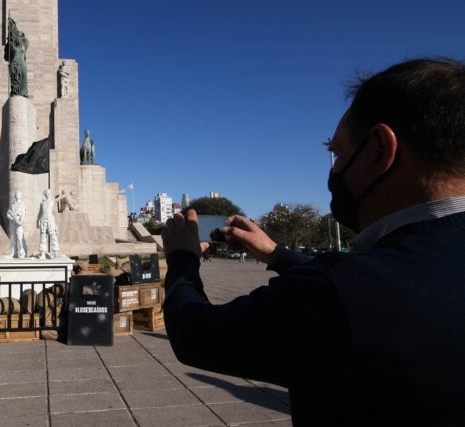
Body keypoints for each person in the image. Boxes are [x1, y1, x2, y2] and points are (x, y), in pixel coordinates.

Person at [162, 58, 465, 425]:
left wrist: (182, 257)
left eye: (337, 153)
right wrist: (276, 254)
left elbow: (196, 336)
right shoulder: (378, 278)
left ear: (379, 150)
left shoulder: (339, 293)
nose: (334, 169)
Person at [37, 189, 62, 257]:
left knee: (53, 235)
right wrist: (38, 221)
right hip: (43, 220)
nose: (47, 194)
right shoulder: (42, 203)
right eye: (46, 193)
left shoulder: (52, 201)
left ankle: (56, 251)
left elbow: (59, 198)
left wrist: (67, 194)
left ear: (50, 193)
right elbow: (40, 212)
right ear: (45, 194)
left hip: (50, 220)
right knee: (43, 237)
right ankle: (42, 252)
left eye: (48, 193)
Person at [6, 191, 26, 258]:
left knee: (20, 238)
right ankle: (14, 253)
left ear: (20, 196)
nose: (17, 195)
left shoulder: (22, 204)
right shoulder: (13, 204)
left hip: (19, 223)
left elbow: (23, 214)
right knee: (13, 239)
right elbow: (8, 213)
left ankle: (21, 253)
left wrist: (20, 221)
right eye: (16, 194)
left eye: (18, 194)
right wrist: (12, 218)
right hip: (12, 223)